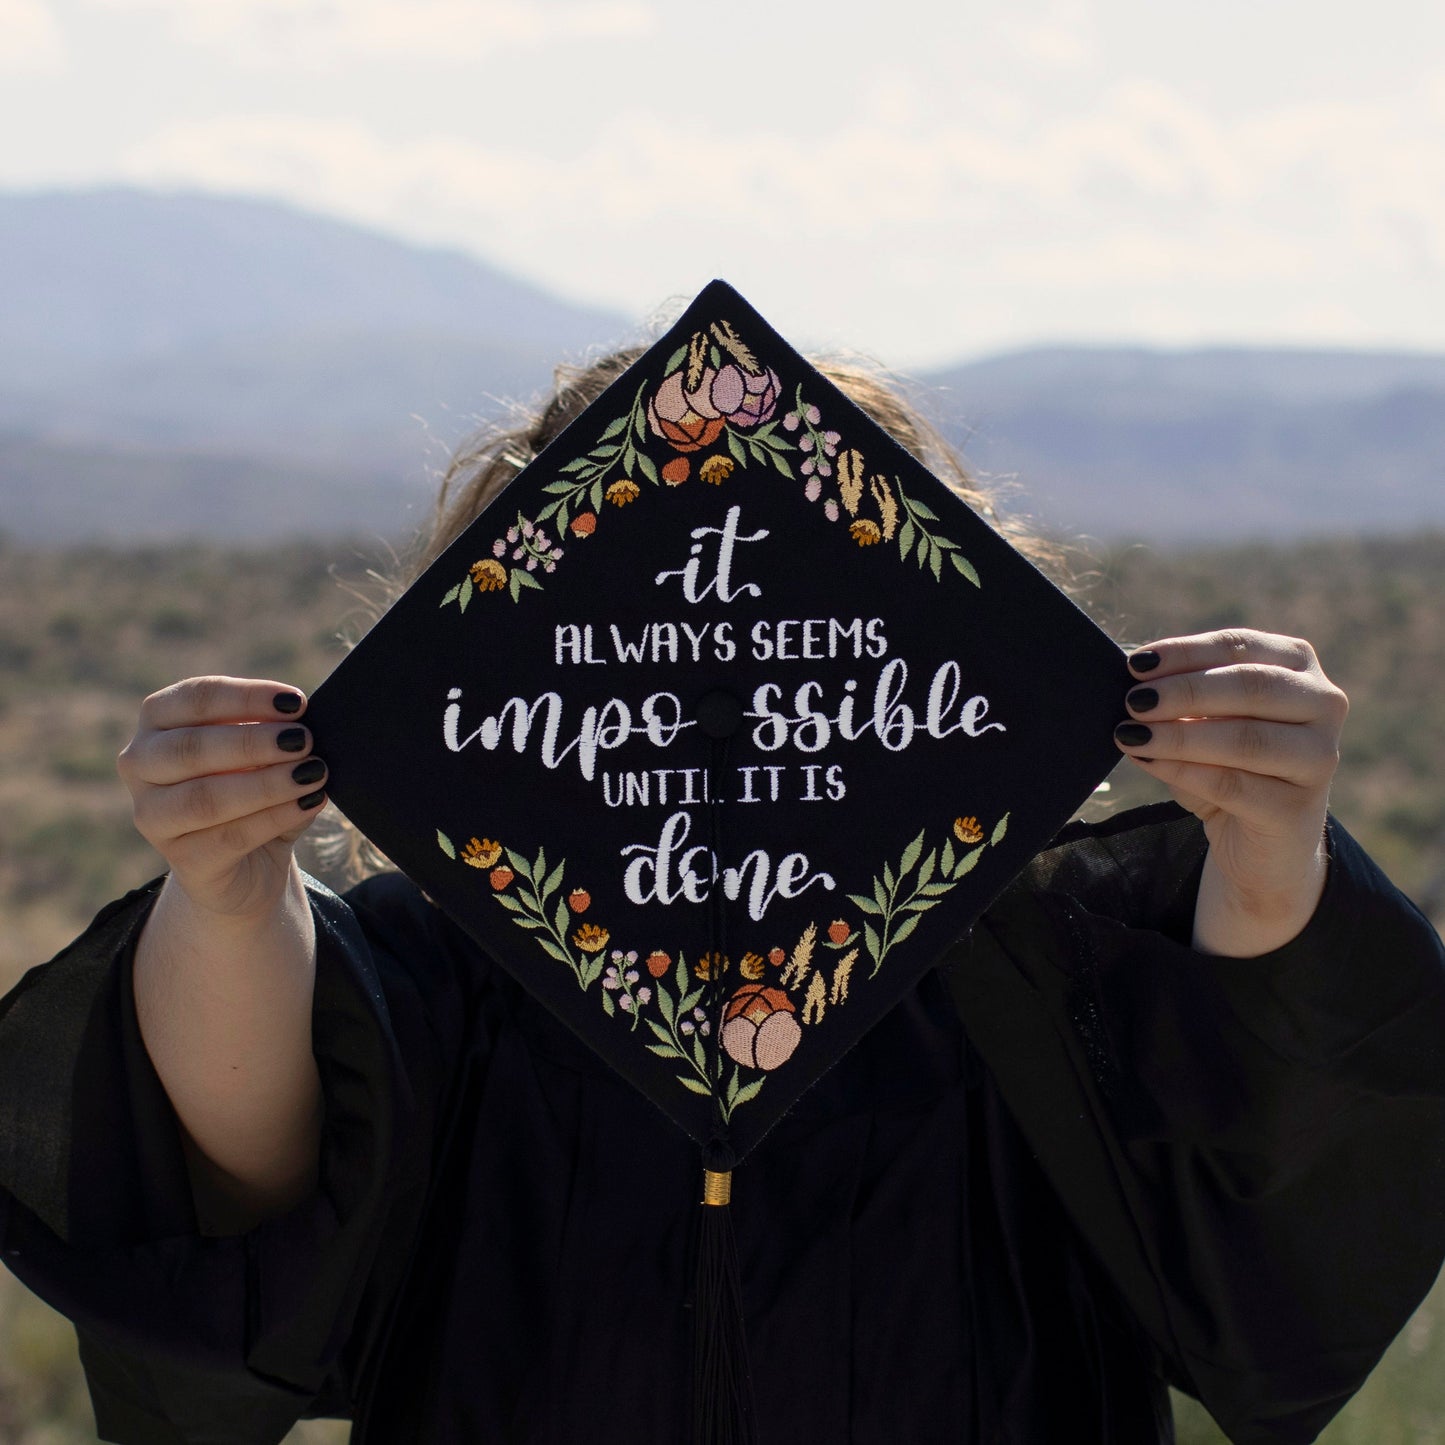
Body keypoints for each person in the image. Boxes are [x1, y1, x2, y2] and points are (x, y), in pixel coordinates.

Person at [1, 349, 1443, 1445]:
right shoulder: (455, 968)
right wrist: (229, 892)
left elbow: (1256, 1145)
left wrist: (1271, 851)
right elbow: (244, 1185)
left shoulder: (1022, 978)